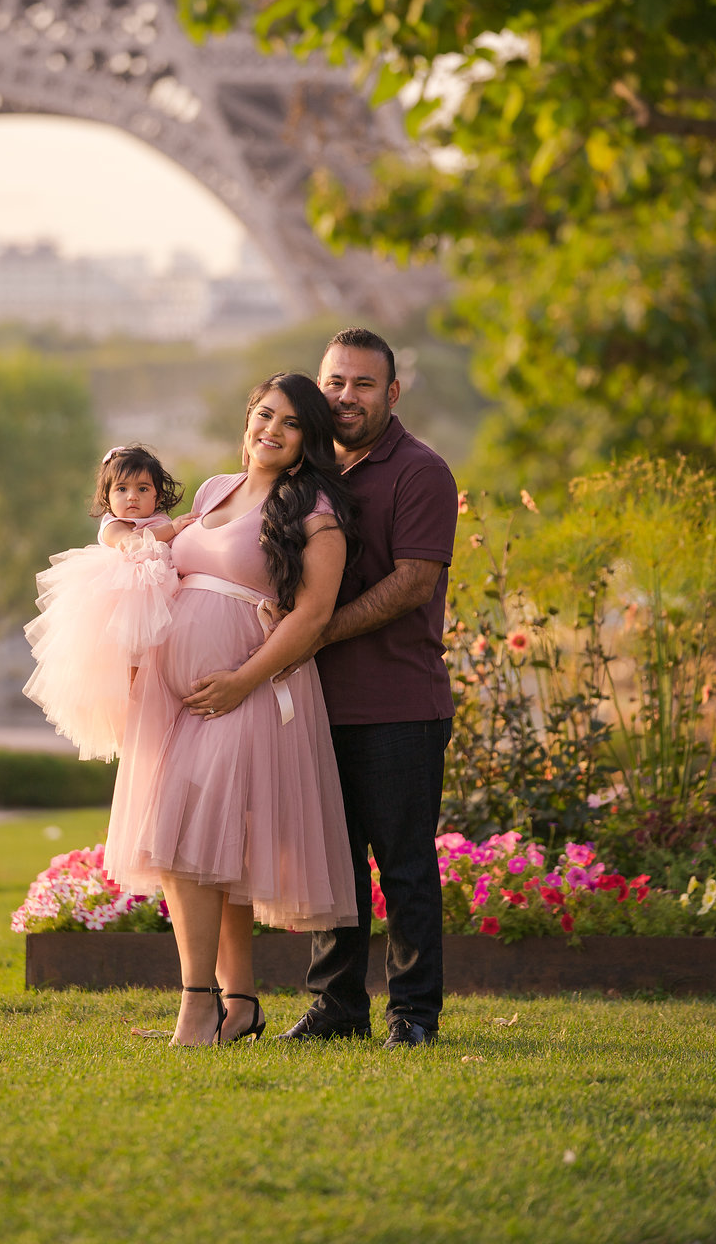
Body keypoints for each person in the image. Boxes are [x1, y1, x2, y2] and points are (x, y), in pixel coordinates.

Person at [103, 374, 359, 1046]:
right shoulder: (215, 490)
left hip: (249, 690)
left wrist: (243, 681)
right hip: (178, 696)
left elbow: (313, 615)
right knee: (212, 846)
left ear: (308, 440)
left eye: (291, 423)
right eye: (263, 415)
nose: (271, 431)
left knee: (187, 841)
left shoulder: (316, 508)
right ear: (247, 419)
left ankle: (197, 1005)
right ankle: (240, 1003)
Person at [278, 328, 459, 1049]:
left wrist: (317, 631)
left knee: (405, 865)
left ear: (391, 392)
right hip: (315, 702)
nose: (344, 396)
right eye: (334, 382)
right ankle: (337, 1007)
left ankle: (413, 1014)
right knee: (332, 863)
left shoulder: (421, 471)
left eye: (360, 384)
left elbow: (414, 581)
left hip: (397, 706)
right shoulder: (306, 471)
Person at [23, 445, 192, 762]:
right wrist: (172, 529)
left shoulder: (158, 521)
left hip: (162, 607)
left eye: (143, 489)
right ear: (107, 497)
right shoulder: (115, 526)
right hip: (121, 605)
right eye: (122, 489)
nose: (132, 497)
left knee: (161, 664)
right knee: (128, 664)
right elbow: (131, 545)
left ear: (157, 496)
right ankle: (133, 718)